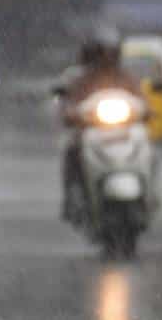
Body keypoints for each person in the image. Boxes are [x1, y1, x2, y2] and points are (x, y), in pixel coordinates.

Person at [59, 39, 143, 221]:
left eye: (110, 55)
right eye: (102, 55)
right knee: (72, 150)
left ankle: (148, 191)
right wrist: (72, 113)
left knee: (147, 146)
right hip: (90, 131)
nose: (106, 60)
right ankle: (73, 197)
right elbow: (69, 103)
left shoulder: (126, 78)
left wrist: (147, 110)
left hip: (124, 131)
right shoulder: (82, 80)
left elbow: (140, 98)